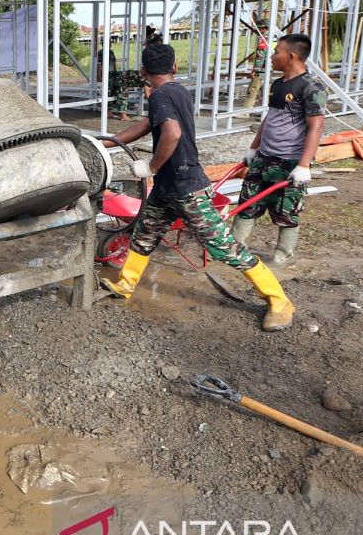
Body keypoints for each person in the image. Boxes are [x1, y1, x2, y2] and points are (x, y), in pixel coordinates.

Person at [100, 43, 297, 331]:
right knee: (144, 235)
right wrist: (104, 143)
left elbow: (172, 132)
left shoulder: (160, 96)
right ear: (175, 68)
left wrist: (151, 167)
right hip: (167, 188)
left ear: (143, 70)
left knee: (223, 247)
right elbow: (147, 125)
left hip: (187, 187)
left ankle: (279, 300)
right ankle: (126, 284)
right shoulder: (177, 91)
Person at [231, 33, 327, 266]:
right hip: (264, 157)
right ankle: (234, 251)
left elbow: (316, 127)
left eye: (277, 52)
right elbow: (269, 119)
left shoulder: (311, 87)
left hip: (289, 161)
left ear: (291, 56)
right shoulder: (278, 83)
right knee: (246, 205)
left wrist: (303, 165)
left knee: (286, 212)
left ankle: (282, 257)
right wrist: (254, 148)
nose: (272, 56)